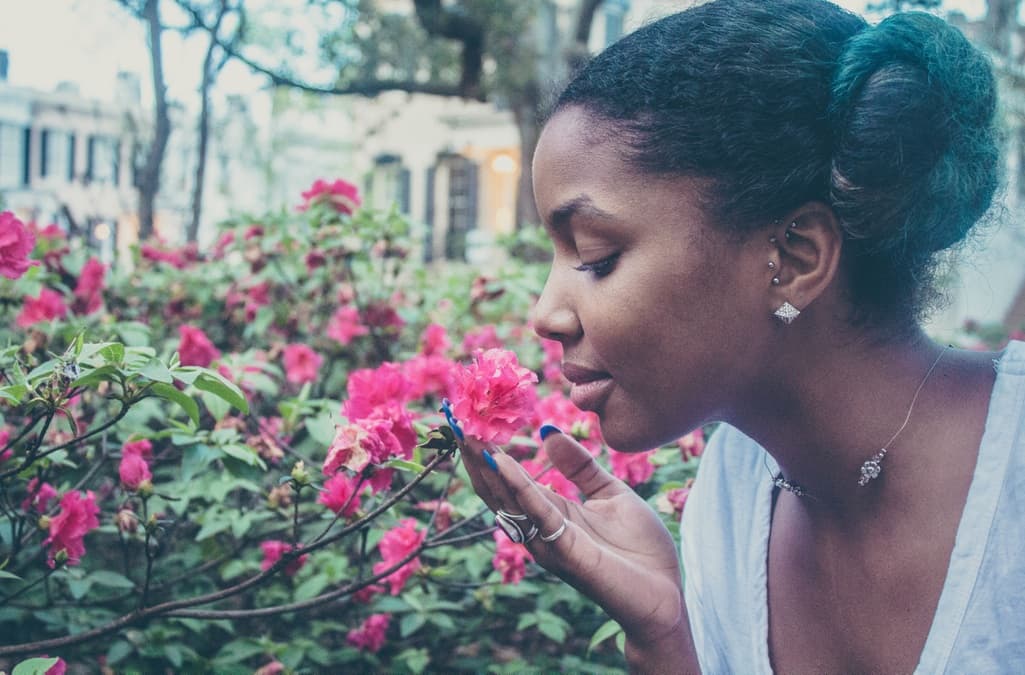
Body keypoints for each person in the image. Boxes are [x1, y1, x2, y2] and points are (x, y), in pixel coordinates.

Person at [461, 0, 1025, 672]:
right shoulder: (732, 498)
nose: (545, 314)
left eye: (596, 254)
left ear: (792, 258)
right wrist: (663, 636)